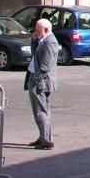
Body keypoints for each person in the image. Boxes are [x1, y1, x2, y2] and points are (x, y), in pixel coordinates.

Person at [25, 18, 59, 150]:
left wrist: (37, 80)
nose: (36, 32)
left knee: (41, 112)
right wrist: (34, 39)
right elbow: (35, 54)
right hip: (37, 79)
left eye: (38, 30)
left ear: (46, 30)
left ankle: (47, 140)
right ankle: (43, 136)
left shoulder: (50, 42)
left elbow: (46, 65)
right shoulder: (43, 39)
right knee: (40, 111)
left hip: (41, 82)